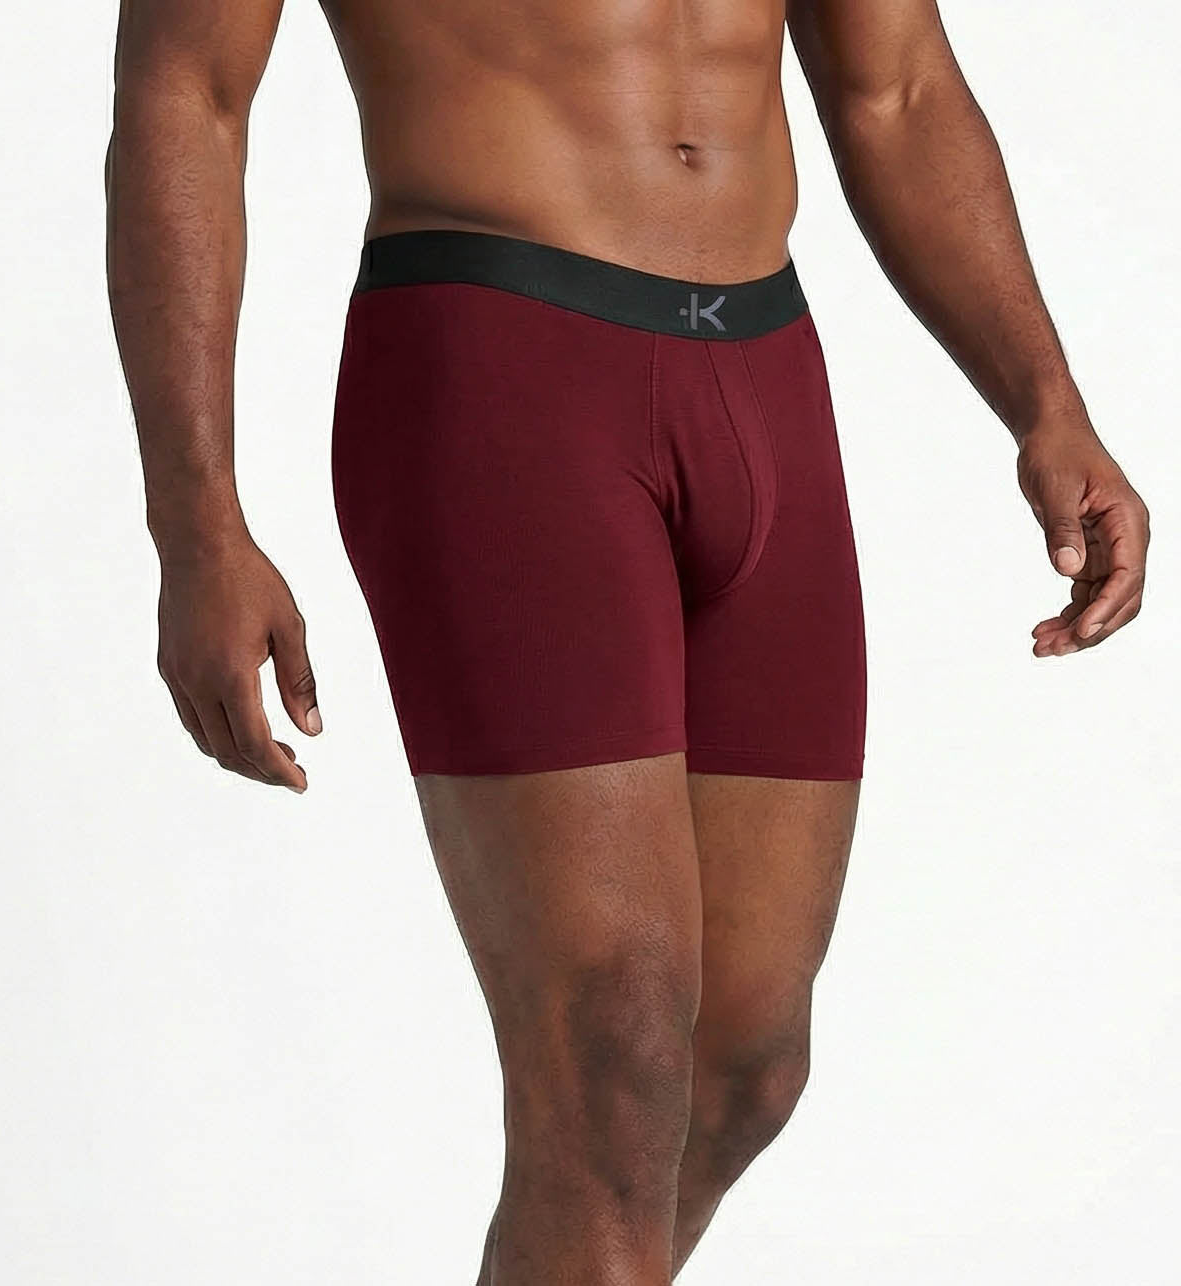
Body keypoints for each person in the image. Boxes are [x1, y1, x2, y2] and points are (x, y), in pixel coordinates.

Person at [105, 0, 1150, 1280]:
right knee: (616, 1049)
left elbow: (898, 89)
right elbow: (186, 96)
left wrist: (1045, 401)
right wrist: (195, 521)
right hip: (500, 356)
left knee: (740, 1065)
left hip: (763, 369)